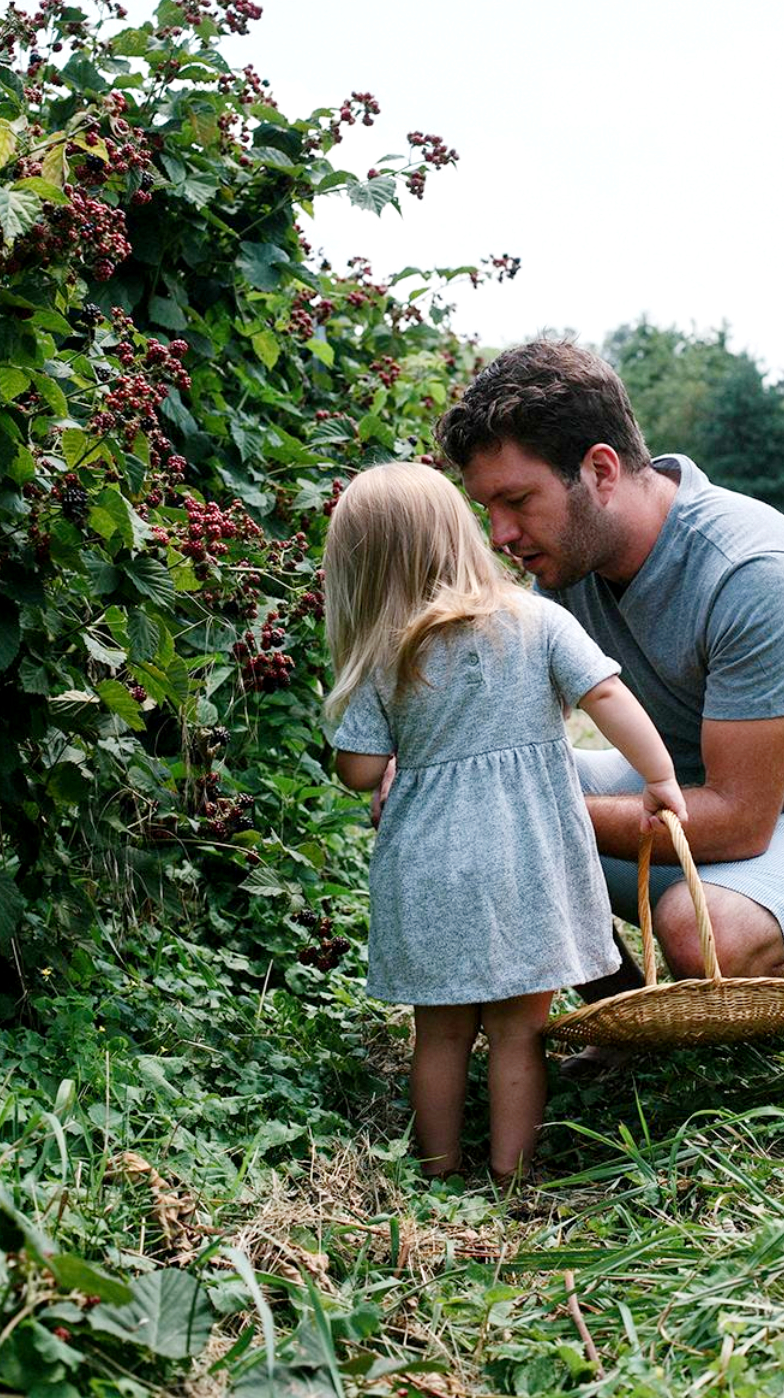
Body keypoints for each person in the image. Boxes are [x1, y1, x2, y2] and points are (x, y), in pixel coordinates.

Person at [435, 340, 784, 1054]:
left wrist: (536, 812)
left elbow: (739, 822)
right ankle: (629, 1024)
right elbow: (501, 733)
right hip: (693, 792)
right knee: (468, 786)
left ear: (600, 470)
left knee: (699, 927)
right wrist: (434, 769)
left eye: (518, 501)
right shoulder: (567, 564)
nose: (502, 536)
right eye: (489, 508)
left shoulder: (752, 571)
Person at [322, 460, 686, 1181]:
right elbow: (607, 697)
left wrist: (392, 765)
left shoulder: (388, 653)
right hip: (528, 861)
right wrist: (660, 778)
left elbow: (360, 770)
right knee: (521, 1033)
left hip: (430, 870)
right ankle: (513, 1175)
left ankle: (437, 1172)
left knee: (441, 1035)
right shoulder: (539, 618)